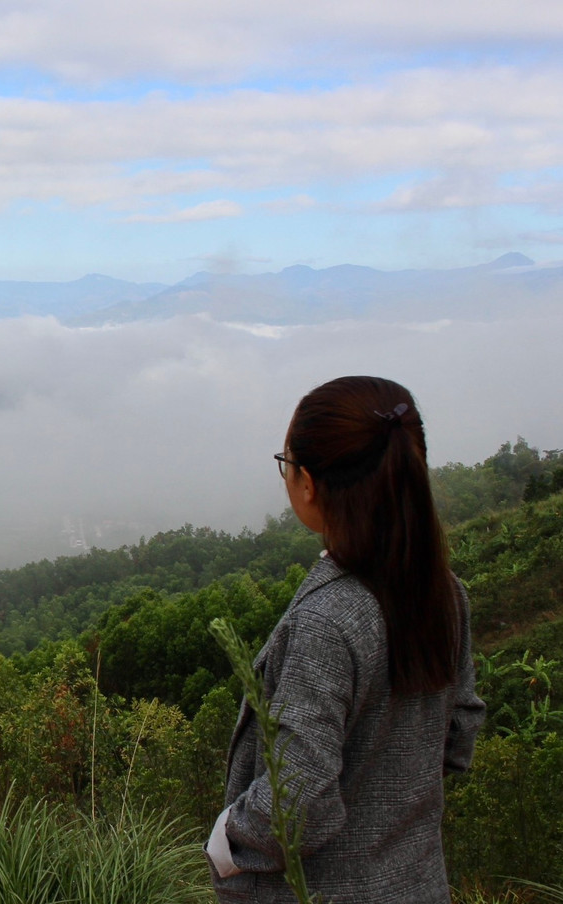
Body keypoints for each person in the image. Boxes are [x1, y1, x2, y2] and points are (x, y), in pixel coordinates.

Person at [206, 375, 486, 903]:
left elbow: (298, 801)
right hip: (419, 884)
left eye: (285, 464)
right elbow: (461, 727)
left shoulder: (328, 621)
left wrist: (226, 841)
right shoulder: (444, 591)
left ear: (307, 483)